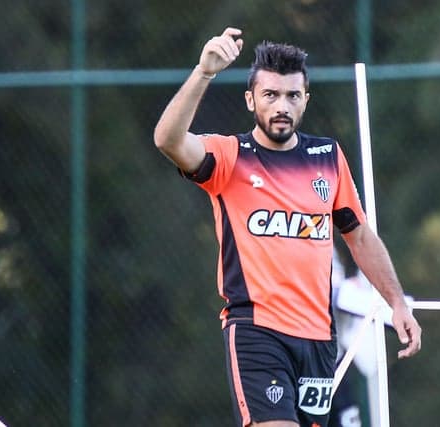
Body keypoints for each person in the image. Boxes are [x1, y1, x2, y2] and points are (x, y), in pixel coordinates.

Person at [154, 27, 421, 427]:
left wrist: (397, 302)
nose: (282, 106)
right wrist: (203, 73)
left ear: (305, 101)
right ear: (250, 100)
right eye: (271, 95)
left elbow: (359, 235)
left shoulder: (326, 157)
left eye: (292, 96)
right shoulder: (229, 157)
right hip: (258, 333)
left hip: (318, 340)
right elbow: (167, 140)